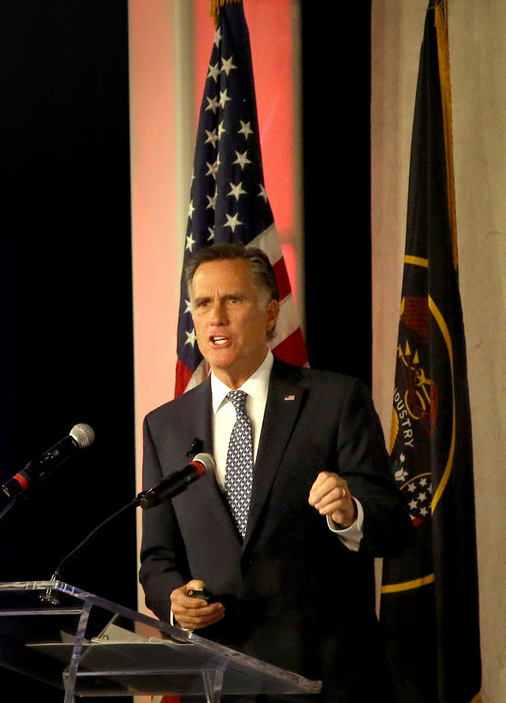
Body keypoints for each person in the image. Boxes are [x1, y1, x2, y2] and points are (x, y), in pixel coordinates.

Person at [139, 243, 411, 701]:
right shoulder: (165, 425)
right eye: (203, 303)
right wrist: (174, 602)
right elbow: (157, 557)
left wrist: (350, 512)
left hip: (325, 678)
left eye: (233, 300)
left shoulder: (334, 400)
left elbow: (395, 526)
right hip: (218, 680)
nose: (216, 317)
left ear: (269, 314)